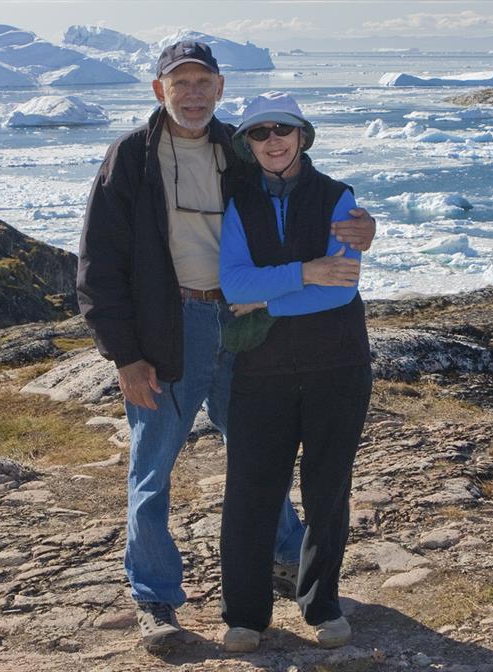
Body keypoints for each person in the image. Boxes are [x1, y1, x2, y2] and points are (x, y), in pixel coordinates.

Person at [77, 43, 376, 650]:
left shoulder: (236, 149)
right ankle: (155, 598)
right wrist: (125, 356)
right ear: (160, 90)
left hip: (247, 325)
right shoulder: (131, 156)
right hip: (171, 325)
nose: (191, 93)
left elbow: (292, 194)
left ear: (218, 88)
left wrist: (363, 225)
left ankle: (289, 561)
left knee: (257, 456)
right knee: (153, 466)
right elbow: (99, 262)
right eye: (179, 82)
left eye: (201, 83)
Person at [218, 91, 373, 653]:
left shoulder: (338, 197)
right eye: (259, 133)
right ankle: (244, 614)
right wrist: (308, 270)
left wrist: (268, 299)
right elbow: (234, 284)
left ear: (302, 136)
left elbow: (344, 285)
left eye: (282, 129)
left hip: (338, 364)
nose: (272, 140)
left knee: (327, 490)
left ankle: (322, 604)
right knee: (251, 492)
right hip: (261, 371)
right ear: (247, 144)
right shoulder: (236, 200)